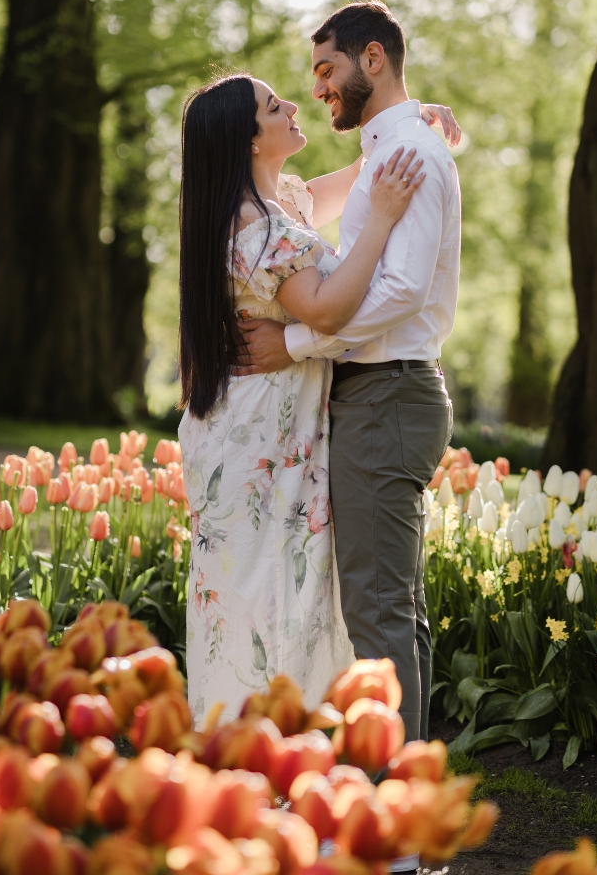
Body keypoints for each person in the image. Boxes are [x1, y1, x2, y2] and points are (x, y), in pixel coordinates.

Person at [177, 70, 455, 726]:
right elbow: (326, 310)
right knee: (266, 592)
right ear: (249, 140)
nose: (293, 105)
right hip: (262, 433)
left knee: (259, 588)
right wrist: (382, 222)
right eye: (275, 106)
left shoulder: (281, 204)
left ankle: (251, 743)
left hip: (257, 419)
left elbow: (366, 169)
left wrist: (411, 119)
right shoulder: (257, 229)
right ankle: (258, 748)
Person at [236, 0, 461, 755]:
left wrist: (296, 341)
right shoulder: (393, 147)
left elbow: (397, 291)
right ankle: (398, 817)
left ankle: (389, 834)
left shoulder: (413, 155)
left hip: (389, 392)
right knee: (383, 606)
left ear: (373, 58)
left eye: (327, 69)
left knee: (378, 610)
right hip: (373, 394)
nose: (318, 88)